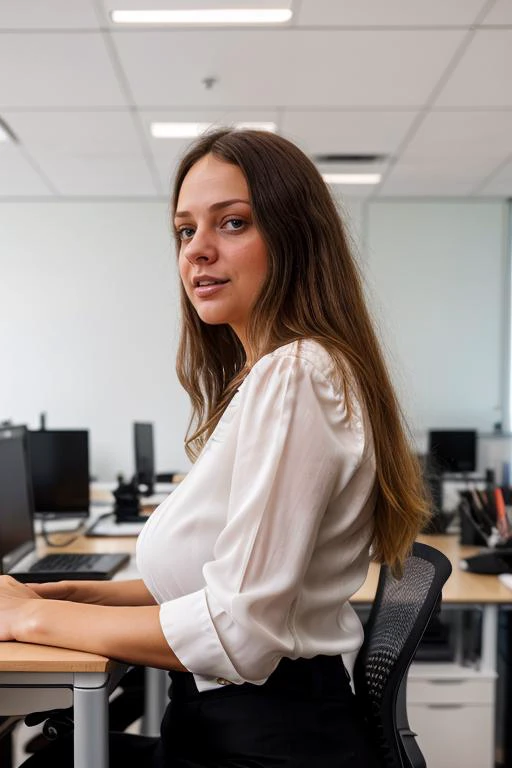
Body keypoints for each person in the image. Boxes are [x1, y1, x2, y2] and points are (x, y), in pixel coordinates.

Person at [0, 128, 430, 767]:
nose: (197, 250)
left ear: (295, 239)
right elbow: (208, 584)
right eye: (184, 231)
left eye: (231, 223)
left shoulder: (298, 375)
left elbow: (239, 631)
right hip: (242, 729)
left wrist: (27, 622)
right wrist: (61, 596)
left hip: (265, 744)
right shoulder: (277, 378)